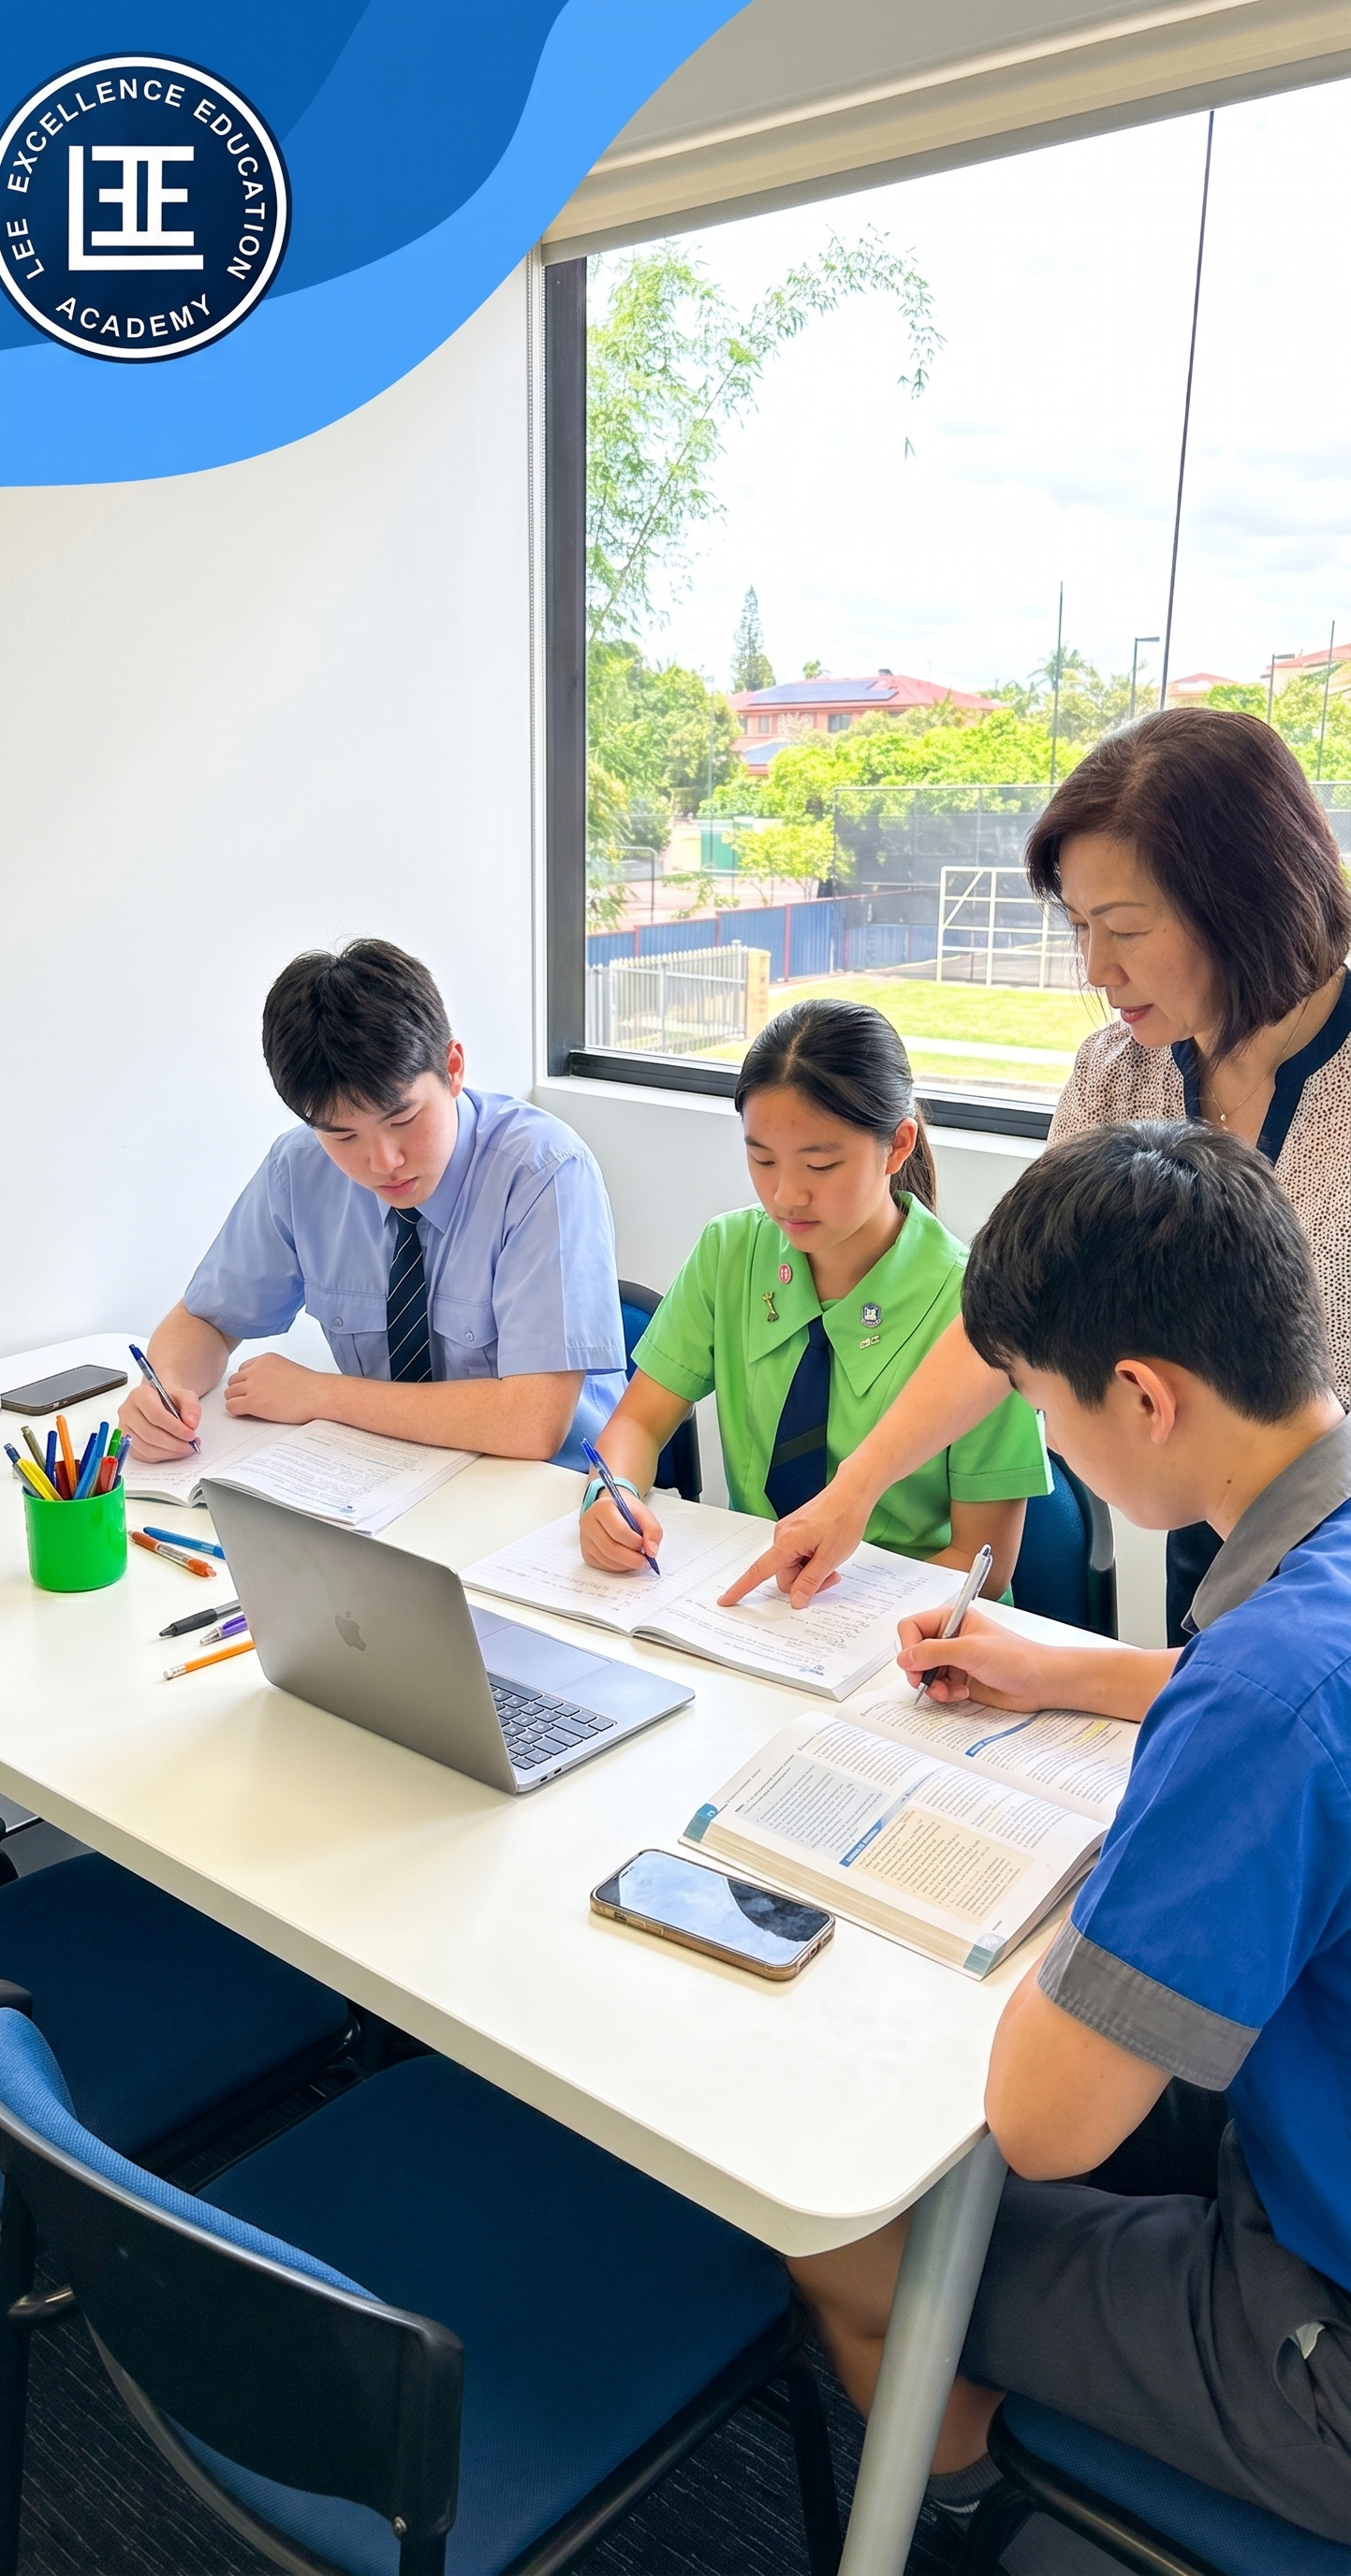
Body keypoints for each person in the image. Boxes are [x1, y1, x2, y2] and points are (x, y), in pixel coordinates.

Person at [790, 1120, 1351, 2546]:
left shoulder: (1263, 1700)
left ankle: (982, 2513)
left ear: (1143, 1397)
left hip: (1321, 2337)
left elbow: (1042, 2127)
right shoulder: (1305, 1599)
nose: (1048, 1443)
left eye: (1046, 1409)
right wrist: (1065, 1673)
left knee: (849, 2234)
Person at [721, 709, 1351, 1644]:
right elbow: (1015, 1310)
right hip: (1218, 1531)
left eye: (1126, 929)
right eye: (1080, 926)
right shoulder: (1119, 1072)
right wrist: (854, 1493)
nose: (1098, 967)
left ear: (1246, 902)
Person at [579, 998, 1049, 1597]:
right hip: (745, 1608)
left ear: (898, 1146)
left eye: (821, 1164)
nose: (787, 1196)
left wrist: (837, 1602)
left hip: (894, 1635)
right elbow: (639, 1423)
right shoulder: (731, 1251)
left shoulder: (976, 1308)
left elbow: (982, 1565)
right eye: (762, 1158)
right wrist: (609, 1494)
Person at [119, 940, 625, 1471]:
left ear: (452, 1068)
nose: (383, 1162)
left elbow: (532, 1423)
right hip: (386, 1483)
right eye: (343, 1137)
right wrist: (166, 1386)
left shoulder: (544, 1172)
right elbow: (206, 1319)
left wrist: (321, 1395)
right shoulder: (299, 1169)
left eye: (402, 1120)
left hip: (553, 1497)